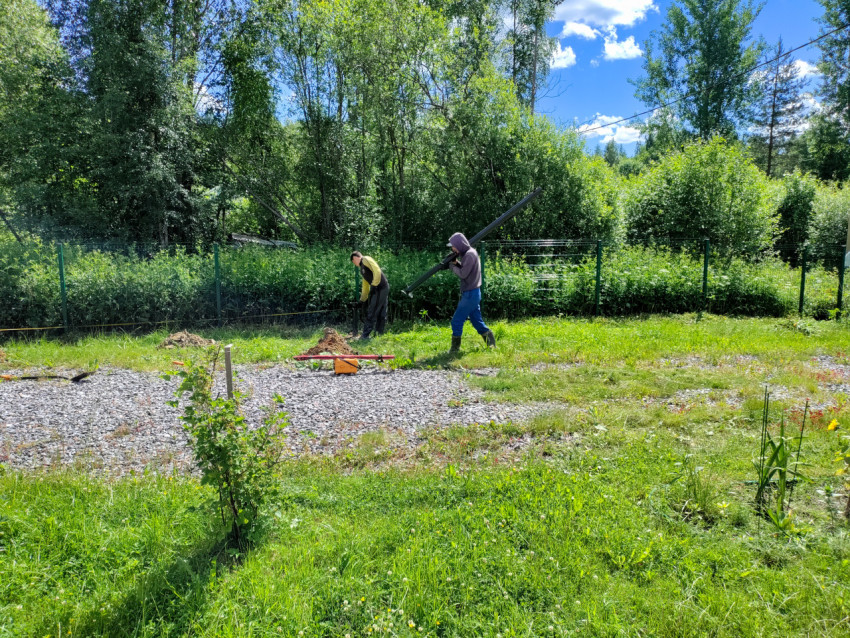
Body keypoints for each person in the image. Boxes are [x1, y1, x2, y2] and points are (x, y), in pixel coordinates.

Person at [444, 232, 496, 354]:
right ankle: (491, 345)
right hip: (473, 293)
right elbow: (466, 269)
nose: (452, 248)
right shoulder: (469, 253)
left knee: (456, 321)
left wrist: (451, 267)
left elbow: (463, 274)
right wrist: (456, 263)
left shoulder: (469, 255)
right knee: (477, 321)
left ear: (459, 244)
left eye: (453, 246)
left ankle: (454, 350)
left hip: (470, 294)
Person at [350, 251, 389, 339]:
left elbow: (377, 270)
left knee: (373, 310)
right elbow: (365, 286)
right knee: (381, 312)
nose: (354, 263)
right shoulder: (362, 269)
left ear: (356, 257)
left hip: (380, 288)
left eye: (353, 261)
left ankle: (365, 335)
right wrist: (362, 300)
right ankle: (379, 335)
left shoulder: (366, 259)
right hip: (381, 288)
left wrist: (374, 285)